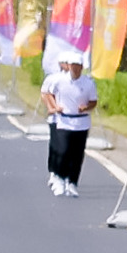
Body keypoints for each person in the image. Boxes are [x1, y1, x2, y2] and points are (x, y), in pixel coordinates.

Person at [42, 57, 97, 196]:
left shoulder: (88, 83)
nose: (75, 68)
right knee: (62, 151)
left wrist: (86, 107)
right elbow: (46, 93)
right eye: (73, 65)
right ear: (69, 66)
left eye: (78, 66)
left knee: (77, 155)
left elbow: (93, 101)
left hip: (82, 123)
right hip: (64, 121)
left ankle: (72, 182)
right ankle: (59, 179)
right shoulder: (59, 80)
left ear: (82, 67)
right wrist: (54, 107)